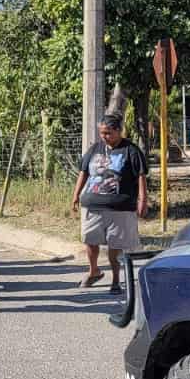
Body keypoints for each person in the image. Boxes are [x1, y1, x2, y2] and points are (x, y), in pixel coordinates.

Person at [72, 112, 147, 292]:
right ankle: (94, 271)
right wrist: (75, 195)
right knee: (90, 239)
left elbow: (141, 176)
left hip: (120, 208)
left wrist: (143, 200)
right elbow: (84, 172)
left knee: (115, 245)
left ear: (119, 131)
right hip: (92, 205)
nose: (104, 136)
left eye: (108, 133)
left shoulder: (131, 150)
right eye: (102, 133)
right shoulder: (95, 149)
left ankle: (115, 280)